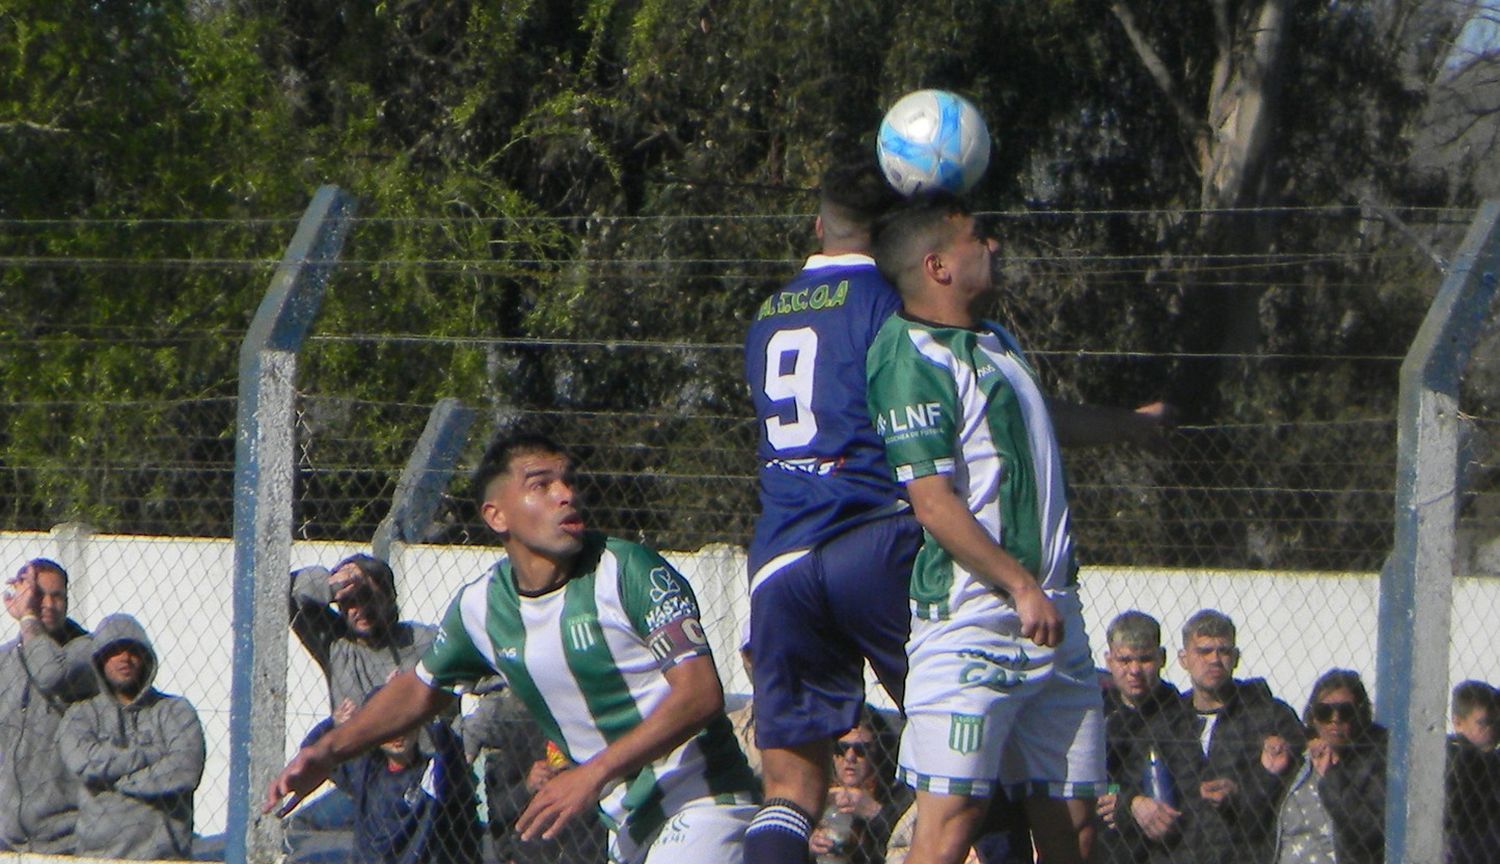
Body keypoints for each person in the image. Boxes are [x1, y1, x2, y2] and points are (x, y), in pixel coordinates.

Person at [266, 430, 759, 864]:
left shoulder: (630, 571)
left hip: (704, 802)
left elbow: (699, 695)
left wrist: (592, 774)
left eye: (568, 482)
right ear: (496, 514)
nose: (565, 495)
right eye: (541, 485)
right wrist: (328, 752)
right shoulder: (482, 607)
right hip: (628, 823)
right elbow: (419, 692)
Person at [865, 192, 1162, 864]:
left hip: (1054, 617)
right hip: (974, 620)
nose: (993, 247)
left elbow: (1038, 419)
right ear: (938, 265)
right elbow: (934, 503)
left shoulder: (998, 341)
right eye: (978, 238)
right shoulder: (907, 353)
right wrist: (1019, 583)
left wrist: (1130, 426)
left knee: (1074, 824)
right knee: (950, 824)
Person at [741, 156, 923, 864]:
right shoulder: (890, 298)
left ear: (818, 225)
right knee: (961, 752)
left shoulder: (769, 311)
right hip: (873, 535)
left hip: (782, 553)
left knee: (788, 788)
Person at [57, 612, 205, 860]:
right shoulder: (81, 715)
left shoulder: (174, 710)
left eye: (133, 650)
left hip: (164, 857)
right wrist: (150, 755)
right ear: (100, 660)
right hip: (98, 856)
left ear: (146, 658)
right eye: (115, 650)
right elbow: (83, 762)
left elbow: (185, 769)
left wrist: (117, 783)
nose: (125, 658)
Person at [1176, 609, 1304, 864]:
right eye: (1204, 651)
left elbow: (1297, 777)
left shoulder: (1270, 716)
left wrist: (1241, 792)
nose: (1214, 659)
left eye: (1223, 651)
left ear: (1235, 658)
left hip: (1248, 852)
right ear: (1183, 659)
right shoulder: (1171, 719)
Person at [301, 690, 481, 864]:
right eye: (388, 725)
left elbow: (452, 756)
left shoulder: (430, 773)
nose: (398, 734)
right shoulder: (365, 771)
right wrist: (333, 722)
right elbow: (311, 754)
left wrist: (420, 705)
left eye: (404, 723)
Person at [0, 558, 97, 853]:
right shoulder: (4, 661)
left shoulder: (87, 651)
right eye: (39, 594)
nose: (49, 604)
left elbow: (50, 673)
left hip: (69, 837)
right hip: (7, 835)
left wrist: (28, 618)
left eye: (58, 596)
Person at [1092, 611, 1204, 864]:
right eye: (1125, 660)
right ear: (1109, 661)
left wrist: (1127, 802)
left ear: (1162, 658)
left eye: (1144, 660)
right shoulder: (1093, 713)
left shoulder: (1181, 715)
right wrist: (1130, 803)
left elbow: (1187, 788)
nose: (1134, 670)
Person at [463, 686, 607, 864]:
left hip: (585, 852)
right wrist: (527, 786)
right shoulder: (523, 734)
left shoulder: (600, 741)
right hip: (530, 853)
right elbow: (499, 811)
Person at [290, 553, 437, 716]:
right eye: (350, 600)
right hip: (353, 740)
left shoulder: (422, 640)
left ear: (390, 598)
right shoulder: (336, 643)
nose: (362, 609)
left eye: (369, 597)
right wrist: (333, 585)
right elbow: (286, 593)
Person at [1272, 669, 1385, 864]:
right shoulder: (1298, 761)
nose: (1335, 719)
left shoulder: (1375, 762)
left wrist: (1330, 778)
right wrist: (1269, 774)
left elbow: (1365, 832)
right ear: (1313, 717)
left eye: (1346, 712)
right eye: (1324, 712)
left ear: (1360, 713)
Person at [810, 712, 913, 864]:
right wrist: (809, 841)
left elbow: (907, 844)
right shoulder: (816, 788)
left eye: (861, 750)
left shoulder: (899, 796)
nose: (849, 758)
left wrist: (875, 812)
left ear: (878, 752)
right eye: (841, 748)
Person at [1444, 680, 1500, 864]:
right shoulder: (1457, 758)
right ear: (1458, 722)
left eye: (1497, 722)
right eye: (1483, 723)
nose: (1493, 730)